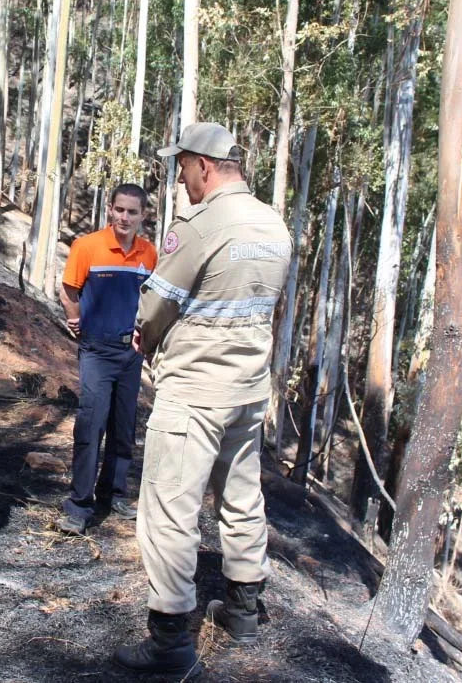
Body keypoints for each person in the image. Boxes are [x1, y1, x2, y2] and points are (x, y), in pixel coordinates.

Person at [113, 123, 292, 674]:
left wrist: (144, 333)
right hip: (247, 388)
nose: (181, 179)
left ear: (204, 166)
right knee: (241, 496)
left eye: (184, 167)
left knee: (170, 509)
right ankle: (242, 610)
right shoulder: (273, 223)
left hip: (194, 390)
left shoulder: (199, 223)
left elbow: (159, 302)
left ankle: (170, 642)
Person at [56, 184, 157, 536]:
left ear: (144, 215)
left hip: (130, 353)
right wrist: (75, 319)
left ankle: (113, 493)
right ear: (109, 209)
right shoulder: (87, 246)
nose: (124, 217)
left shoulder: (150, 254)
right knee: (91, 424)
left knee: (124, 426)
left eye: (132, 211)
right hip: (97, 350)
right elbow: (69, 289)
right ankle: (79, 506)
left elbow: (153, 301)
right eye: (119, 210)